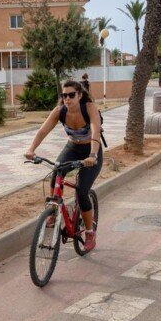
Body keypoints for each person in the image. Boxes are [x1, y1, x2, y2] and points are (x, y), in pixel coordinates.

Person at [24, 80, 103, 251]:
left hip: (91, 151)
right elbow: (43, 131)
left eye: (71, 95)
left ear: (80, 95)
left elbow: (95, 130)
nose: (67, 98)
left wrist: (92, 155)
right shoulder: (60, 111)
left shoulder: (88, 108)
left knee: (81, 192)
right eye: (64, 95)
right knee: (56, 172)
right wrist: (31, 149)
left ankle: (89, 232)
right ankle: (53, 211)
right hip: (72, 148)